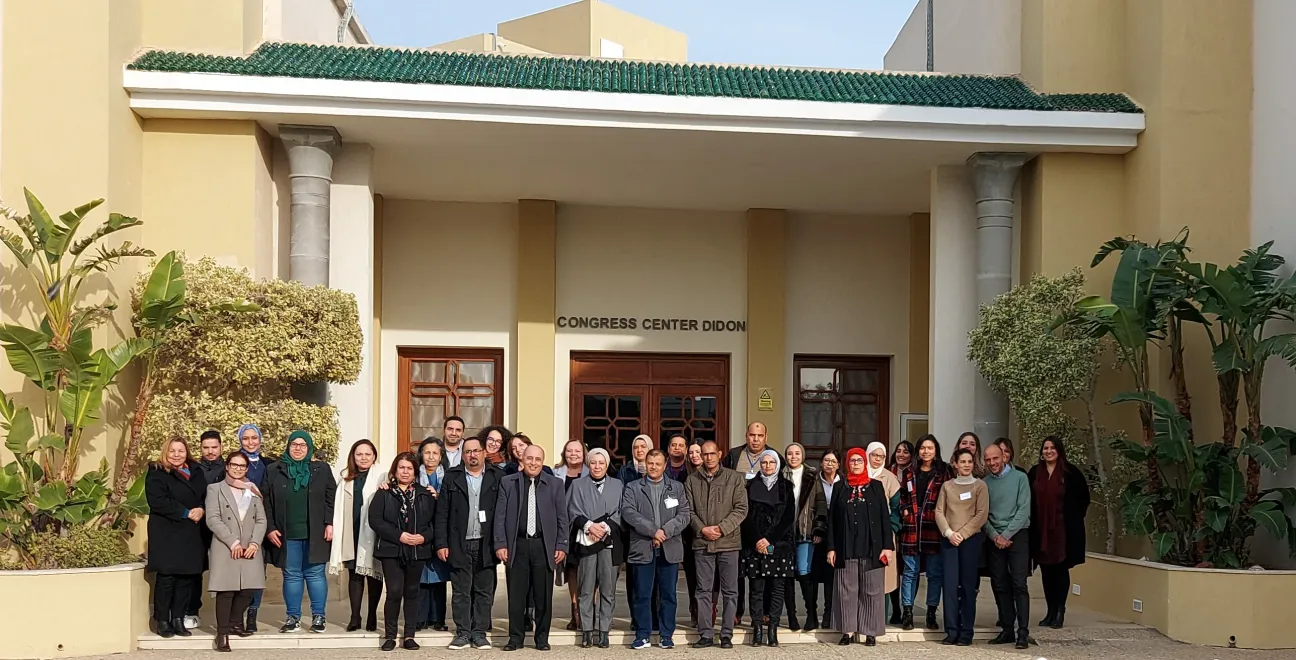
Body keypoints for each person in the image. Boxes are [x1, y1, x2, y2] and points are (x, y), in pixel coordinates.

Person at [495, 444, 570, 651]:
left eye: (538, 459)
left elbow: (562, 518)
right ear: (523, 460)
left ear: (542, 461)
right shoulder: (508, 483)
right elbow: (499, 516)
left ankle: (542, 638)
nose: (533, 463)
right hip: (516, 545)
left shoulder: (554, 484)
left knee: (543, 596)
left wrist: (562, 544)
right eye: (530, 458)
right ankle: (515, 638)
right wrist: (501, 543)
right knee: (516, 596)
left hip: (543, 545)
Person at [263, 430, 336, 634]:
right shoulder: (274, 469)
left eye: (303, 445)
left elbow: (332, 498)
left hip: (316, 532)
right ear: (288, 446)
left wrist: (330, 523)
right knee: (292, 574)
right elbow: (266, 501)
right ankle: (293, 617)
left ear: (309, 448)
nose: (298, 448)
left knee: (315, 574)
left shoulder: (321, 469)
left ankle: (319, 617)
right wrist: (270, 528)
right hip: (286, 533)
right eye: (294, 444)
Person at [435, 437, 502, 650]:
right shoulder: (451, 477)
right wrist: (441, 543)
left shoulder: (497, 477)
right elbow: (442, 513)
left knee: (484, 591)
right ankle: (463, 633)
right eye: (468, 452)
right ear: (463, 454)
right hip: (459, 542)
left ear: (484, 453)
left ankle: (480, 633)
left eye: (476, 451)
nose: (472, 455)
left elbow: (502, 513)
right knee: (461, 592)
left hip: (486, 543)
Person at [621, 449, 691, 650]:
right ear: (645, 463)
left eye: (658, 463)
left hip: (669, 547)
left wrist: (665, 532)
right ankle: (642, 634)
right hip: (643, 547)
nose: (653, 467)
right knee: (642, 593)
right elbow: (628, 512)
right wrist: (653, 531)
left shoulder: (676, 487)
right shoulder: (633, 487)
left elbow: (684, 514)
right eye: (650, 463)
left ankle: (666, 634)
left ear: (664, 464)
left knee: (669, 594)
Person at [826, 447, 895, 647]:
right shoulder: (840, 487)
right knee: (846, 590)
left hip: (871, 547)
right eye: (852, 461)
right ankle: (847, 631)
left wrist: (887, 547)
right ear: (847, 463)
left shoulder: (876, 486)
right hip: (846, 547)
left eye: (859, 460)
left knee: (872, 590)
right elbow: (832, 520)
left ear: (865, 462)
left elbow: (884, 517)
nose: (856, 464)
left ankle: (870, 632)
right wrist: (831, 547)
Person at [369, 451, 437, 651]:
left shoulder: (425, 494)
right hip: (392, 550)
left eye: (409, 468)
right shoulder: (384, 493)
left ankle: (409, 635)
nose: (405, 472)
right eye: (401, 468)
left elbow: (436, 522)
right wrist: (398, 535)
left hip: (417, 550)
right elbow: (375, 520)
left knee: (412, 592)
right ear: (395, 470)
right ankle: (390, 635)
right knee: (394, 592)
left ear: (415, 472)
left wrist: (424, 537)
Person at [685, 440, 748, 649]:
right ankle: (705, 633)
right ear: (700, 456)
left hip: (728, 542)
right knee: (703, 590)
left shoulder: (734, 478)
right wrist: (702, 529)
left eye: (712, 454)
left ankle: (727, 634)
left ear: (719, 454)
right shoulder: (692, 480)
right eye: (705, 454)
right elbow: (688, 511)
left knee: (730, 591)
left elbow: (741, 509)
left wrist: (721, 528)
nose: (708, 458)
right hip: (702, 543)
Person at [147, 437, 209, 638]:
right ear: (166, 452)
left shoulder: (197, 471)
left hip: (192, 532)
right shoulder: (156, 472)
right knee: (167, 578)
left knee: (186, 578)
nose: (176, 454)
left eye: (180, 451)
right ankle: (163, 619)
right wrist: (184, 512)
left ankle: (178, 619)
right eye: (172, 451)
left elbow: (204, 496)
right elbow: (157, 501)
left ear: (187, 452)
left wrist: (201, 509)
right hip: (167, 532)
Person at [204, 450, 265, 652]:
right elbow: (212, 518)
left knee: (249, 588)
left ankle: (235, 621)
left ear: (246, 468)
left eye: (242, 466)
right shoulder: (215, 489)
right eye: (234, 465)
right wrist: (233, 542)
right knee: (226, 591)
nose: (238, 469)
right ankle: (223, 634)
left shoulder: (252, 490)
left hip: (249, 546)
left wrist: (255, 543)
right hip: (225, 545)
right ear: (227, 466)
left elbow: (261, 520)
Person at [1028, 436, 1091, 630]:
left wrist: (1072, 518)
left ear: (1059, 450)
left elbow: (1083, 499)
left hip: (1063, 530)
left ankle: (1060, 611)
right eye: (1045, 448)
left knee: (1060, 570)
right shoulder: (1034, 472)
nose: (1048, 451)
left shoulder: (1071, 473)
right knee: (1047, 571)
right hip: (1041, 530)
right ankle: (1049, 611)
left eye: (1052, 448)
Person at [567, 448, 624, 649]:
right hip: (587, 542)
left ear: (607, 465)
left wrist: (604, 527)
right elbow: (572, 510)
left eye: (601, 463)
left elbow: (620, 511)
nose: (597, 466)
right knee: (586, 588)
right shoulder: (577, 485)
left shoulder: (617, 485)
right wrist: (589, 526)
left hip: (608, 542)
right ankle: (587, 630)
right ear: (588, 464)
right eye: (593, 462)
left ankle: (604, 630)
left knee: (608, 589)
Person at [934, 448, 989, 646]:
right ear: (955, 464)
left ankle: (966, 632)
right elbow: (939, 511)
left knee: (967, 587)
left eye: (969, 461)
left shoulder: (980, 486)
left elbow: (981, 514)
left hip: (970, 542)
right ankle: (951, 630)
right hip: (949, 541)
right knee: (949, 586)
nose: (966, 465)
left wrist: (963, 534)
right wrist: (949, 533)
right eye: (962, 461)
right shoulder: (947, 486)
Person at [741, 449, 795, 647]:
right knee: (756, 588)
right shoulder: (750, 486)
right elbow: (745, 515)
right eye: (764, 463)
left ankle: (772, 628)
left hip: (778, 545)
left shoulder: (786, 486)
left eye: (771, 463)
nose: (767, 466)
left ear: (777, 465)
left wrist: (770, 539)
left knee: (777, 588)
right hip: (755, 545)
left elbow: (788, 518)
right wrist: (758, 539)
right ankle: (757, 628)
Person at [327, 439, 382, 633]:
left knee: (374, 574)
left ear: (374, 455)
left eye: (368, 454)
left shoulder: (382, 475)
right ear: (353, 456)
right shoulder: (346, 478)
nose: (364, 458)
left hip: (373, 531)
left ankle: (373, 614)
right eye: (359, 454)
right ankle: (355, 616)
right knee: (355, 574)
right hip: (352, 529)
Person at [898, 434, 951, 631]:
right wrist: (904, 509)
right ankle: (908, 612)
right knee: (910, 572)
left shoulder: (944, 472)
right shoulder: (910, 472)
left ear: (936, 450)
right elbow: (903, 495)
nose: (926, 451)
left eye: (930, 448)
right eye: (922, 448)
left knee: (934, 573)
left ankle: (931, 612)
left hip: (934, 526)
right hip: (912, 527)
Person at [983, 443, 1032, 649]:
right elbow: (982, 514)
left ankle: (1023, 631)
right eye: (988, 460)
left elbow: (1024, 510)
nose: (992, 463)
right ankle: (1007, 629)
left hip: (1018, 535)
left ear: (1004, 457)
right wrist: (996, 536)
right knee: (1000, 584)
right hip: (995, 538)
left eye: (995, 458)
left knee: (1019, 584)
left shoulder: (1020, 478)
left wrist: (1006, 534)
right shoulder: (984, 483)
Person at [781, 442, 825, 632]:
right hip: (784, 534)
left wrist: (818, 529)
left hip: (805, 531)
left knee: (805, 573)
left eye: (797, 453)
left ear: (803, 455)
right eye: (790, 453)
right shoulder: (780, 474)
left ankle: (811, 615)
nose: (793, 456)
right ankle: (792, 616)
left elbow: (821, 503)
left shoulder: (812, 475)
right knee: (786, 575)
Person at [235, 423, 272, 632]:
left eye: (254, 438)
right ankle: (236, 615)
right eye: (246, 438)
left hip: (261, 525)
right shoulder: (234, 463)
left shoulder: (268, 464)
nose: (250, 442)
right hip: (238, 526)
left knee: (258, 573)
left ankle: (252, 614)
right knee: (239, 573)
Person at [190, 430, 227, 630]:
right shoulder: (193, 468)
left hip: (223, 527)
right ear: (200, 448)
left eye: (214, 447)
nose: (210, 451)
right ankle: (192, 611)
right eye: (206, 447)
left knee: (224, 571)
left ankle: (227, 616)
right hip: (198, 527)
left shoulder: (229, 468)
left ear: (221, 447)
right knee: (195, 570)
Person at [616, 433, 652, 635]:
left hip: (655, 533)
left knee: (653, 579)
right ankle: (636, 617)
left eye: (643, 447)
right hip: (632, 533)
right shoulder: (625, 471)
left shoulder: (657, 468)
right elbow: (624, 501)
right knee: (634, 579)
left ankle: (652, 617)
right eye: (636, 447)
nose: (639, 450)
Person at [416, 438, 451, 632]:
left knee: (438, 577)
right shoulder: (413, 475)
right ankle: (420, 618)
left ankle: (438, 619)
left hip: (440, 532)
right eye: (427, 452)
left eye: (435, 453)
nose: (431, 456)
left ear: (441, 456)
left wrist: (438, 498)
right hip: (419, 533)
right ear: (421, 454)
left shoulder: (448, 477)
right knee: (420, 577)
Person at [553, 439, 588, 631]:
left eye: (577, 451)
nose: (573, 454)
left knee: (590, 571)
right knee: (572, 570)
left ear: (583, 453)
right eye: (569, 451)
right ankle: (575, 612)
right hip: (566, 528)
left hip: (587, 528)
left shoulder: (592, 471)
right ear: (564, 453)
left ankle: (587, 610)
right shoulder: (555, 472)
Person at [866, 442, 902, 625]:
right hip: (862, 535)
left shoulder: (890, 478)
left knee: (885, 578)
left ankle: (881, 619)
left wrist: (892, 529)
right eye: (874, 455)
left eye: (881, 456)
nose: (877, 459)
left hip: (884, 535)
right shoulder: (859, 474)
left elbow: (896, 509)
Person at [662, 434, 695, 625]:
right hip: (666, 529)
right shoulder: (661, 469)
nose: (677, 448)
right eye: (673, 445)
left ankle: (695, 611)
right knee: (666, 580)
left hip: (688, 529)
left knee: (693, 575)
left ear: (686, 449)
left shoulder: (691, 471)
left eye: (681, 445)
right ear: (668, 449)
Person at [809, 450, 841, 628]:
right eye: (826, 460)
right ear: (821, 463)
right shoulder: (813, 481)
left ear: (838, 465)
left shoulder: (842, 482)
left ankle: (829, 614)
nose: (829, 464)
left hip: (836, 534)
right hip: (817, 532)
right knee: (813, 575)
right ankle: (812, 614)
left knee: (831, 576)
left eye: (833, 461)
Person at [886, 440, 914, 624]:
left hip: (910, 526)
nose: (901, 454)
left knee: (909, 568)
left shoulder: (914, 473)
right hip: (893, 526)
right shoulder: (888, 472)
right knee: (893, 569)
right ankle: (895, 609)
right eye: (898, 451)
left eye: (905, 451)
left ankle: (907, 609)